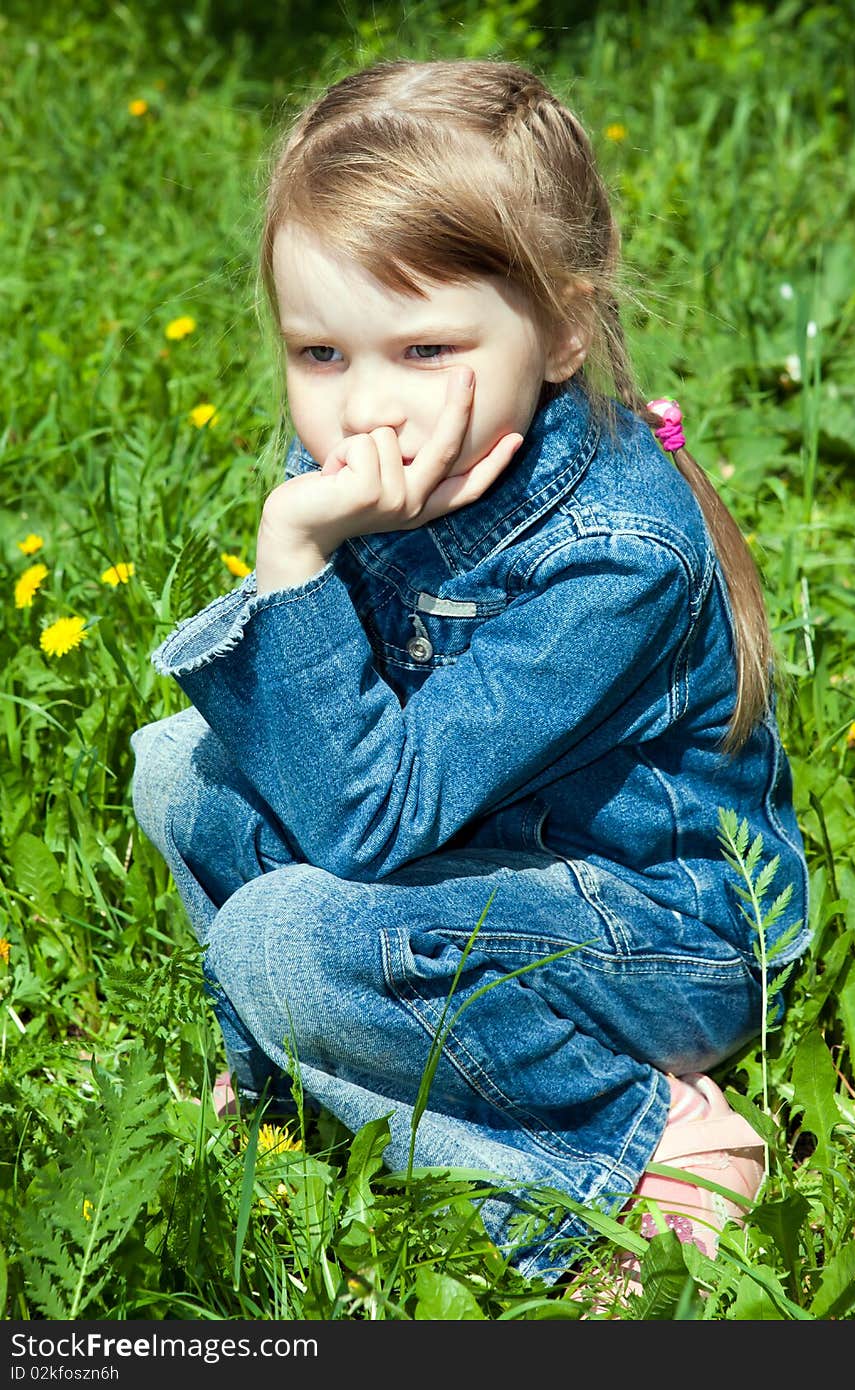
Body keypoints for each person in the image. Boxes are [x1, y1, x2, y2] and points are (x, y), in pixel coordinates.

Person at [130, 58, 809, 1298]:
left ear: (559, 327)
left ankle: (642, 1144)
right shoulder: (394, 464)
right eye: (321, 352)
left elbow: (365, 822)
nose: (365, 408)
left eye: (424, 346)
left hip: (650, 932)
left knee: (279, 940)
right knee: (173, 769)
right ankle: (305, 1084)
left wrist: (293, 554)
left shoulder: (615, 557)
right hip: (471, 870)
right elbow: (334, 763)